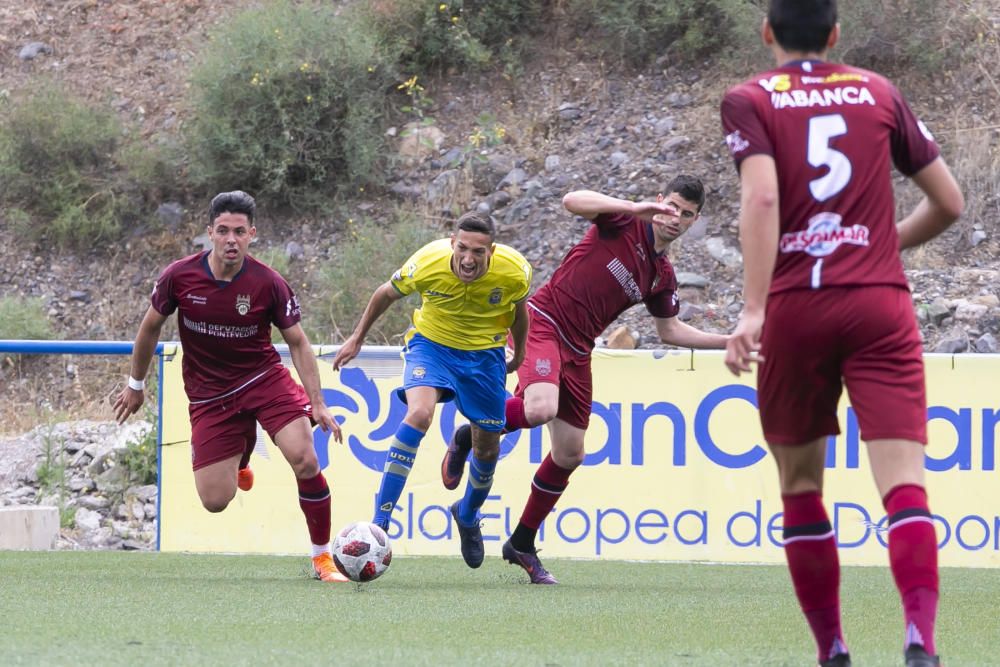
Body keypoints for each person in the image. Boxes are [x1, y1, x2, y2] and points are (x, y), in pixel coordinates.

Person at [719, 2, 964, 666]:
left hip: (798, 305)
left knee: (801, 486)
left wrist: (752, 310)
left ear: (767, 31)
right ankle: (920, 637)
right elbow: (949, 201)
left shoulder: (749, 98)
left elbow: (763, 198)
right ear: (835, 35)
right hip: (879, 303)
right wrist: (882, 246)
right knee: (905, 483)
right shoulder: (878, 91)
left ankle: (832, 648)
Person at [442, 175, 729, 584]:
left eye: (686, 214)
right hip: (543, 322)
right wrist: (633, 206)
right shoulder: (623, 222)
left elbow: (671, 331)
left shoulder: (661, 275)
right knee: (541, 408)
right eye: (672, 207)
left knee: (570, 454)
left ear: (694, 220)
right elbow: (571, 199)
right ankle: (469, 435)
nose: (675, 218)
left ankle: (521, 542)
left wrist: (730, 342)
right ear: (660, 200)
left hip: (579, 348)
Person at [113, 190, 348, 583]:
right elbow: (150, 327)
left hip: (263, 381)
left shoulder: (268, 283)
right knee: (215, 501)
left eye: (239, 231)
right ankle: (241, 457)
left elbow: (298, 342)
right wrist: (135, 385)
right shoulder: (179, 277)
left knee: (305, 457)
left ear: (252, 234)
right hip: (211, 396)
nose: (231, 240)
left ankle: (323, 558)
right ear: (209, 233)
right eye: (223, 231)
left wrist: (317, 403)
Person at [331, 211, 532, 569]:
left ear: (492, 250)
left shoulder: (514, 271)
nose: (468, 259)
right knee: (419, 413)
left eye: (478, 252)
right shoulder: (428, 261)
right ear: (453, 242)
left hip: (484, 356)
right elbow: (385, 293)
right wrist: (356, 338)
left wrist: (520, 353)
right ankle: (380, 523)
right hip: (432, 347)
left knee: (488, 447)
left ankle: (467, 514)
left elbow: (519, 311)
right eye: (463, 248)